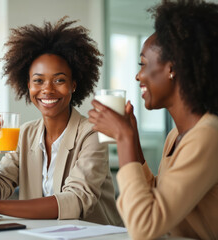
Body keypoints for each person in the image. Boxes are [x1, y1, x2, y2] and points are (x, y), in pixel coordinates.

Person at [0, 17, 123, 226]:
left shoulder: (92, 133)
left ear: (73, 85)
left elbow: (75, 201)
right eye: (38, 81)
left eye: (59, 80)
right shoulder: (26, 134)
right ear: (28, 86)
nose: (47, 89)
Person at [88, 0, 218, 239]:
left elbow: (144, 227)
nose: (138, 75)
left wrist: (123, 138)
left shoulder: (208, 135)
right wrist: (133, 139)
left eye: (144, 64)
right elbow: (154, 200)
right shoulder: (176, 136)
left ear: (172, 68)